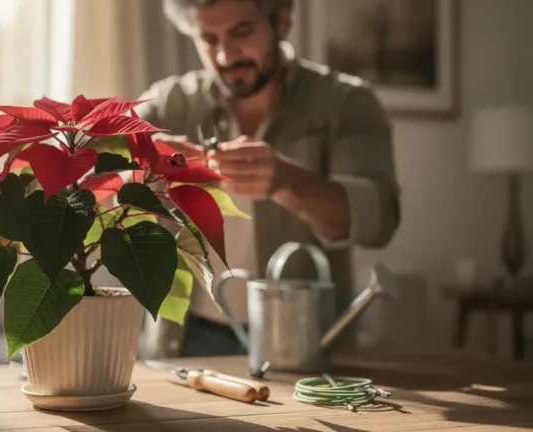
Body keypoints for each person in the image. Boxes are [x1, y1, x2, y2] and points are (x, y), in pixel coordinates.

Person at [134, 0, 401, 359]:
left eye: (242, 32)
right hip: (183, 339)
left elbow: (379, 221)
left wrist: (286, 181)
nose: (226, 56)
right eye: (208, 39)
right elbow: (100, 156)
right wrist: (145, 155)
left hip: (305, 340)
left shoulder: (347, 102)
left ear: (283, 19)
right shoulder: (171, 101)